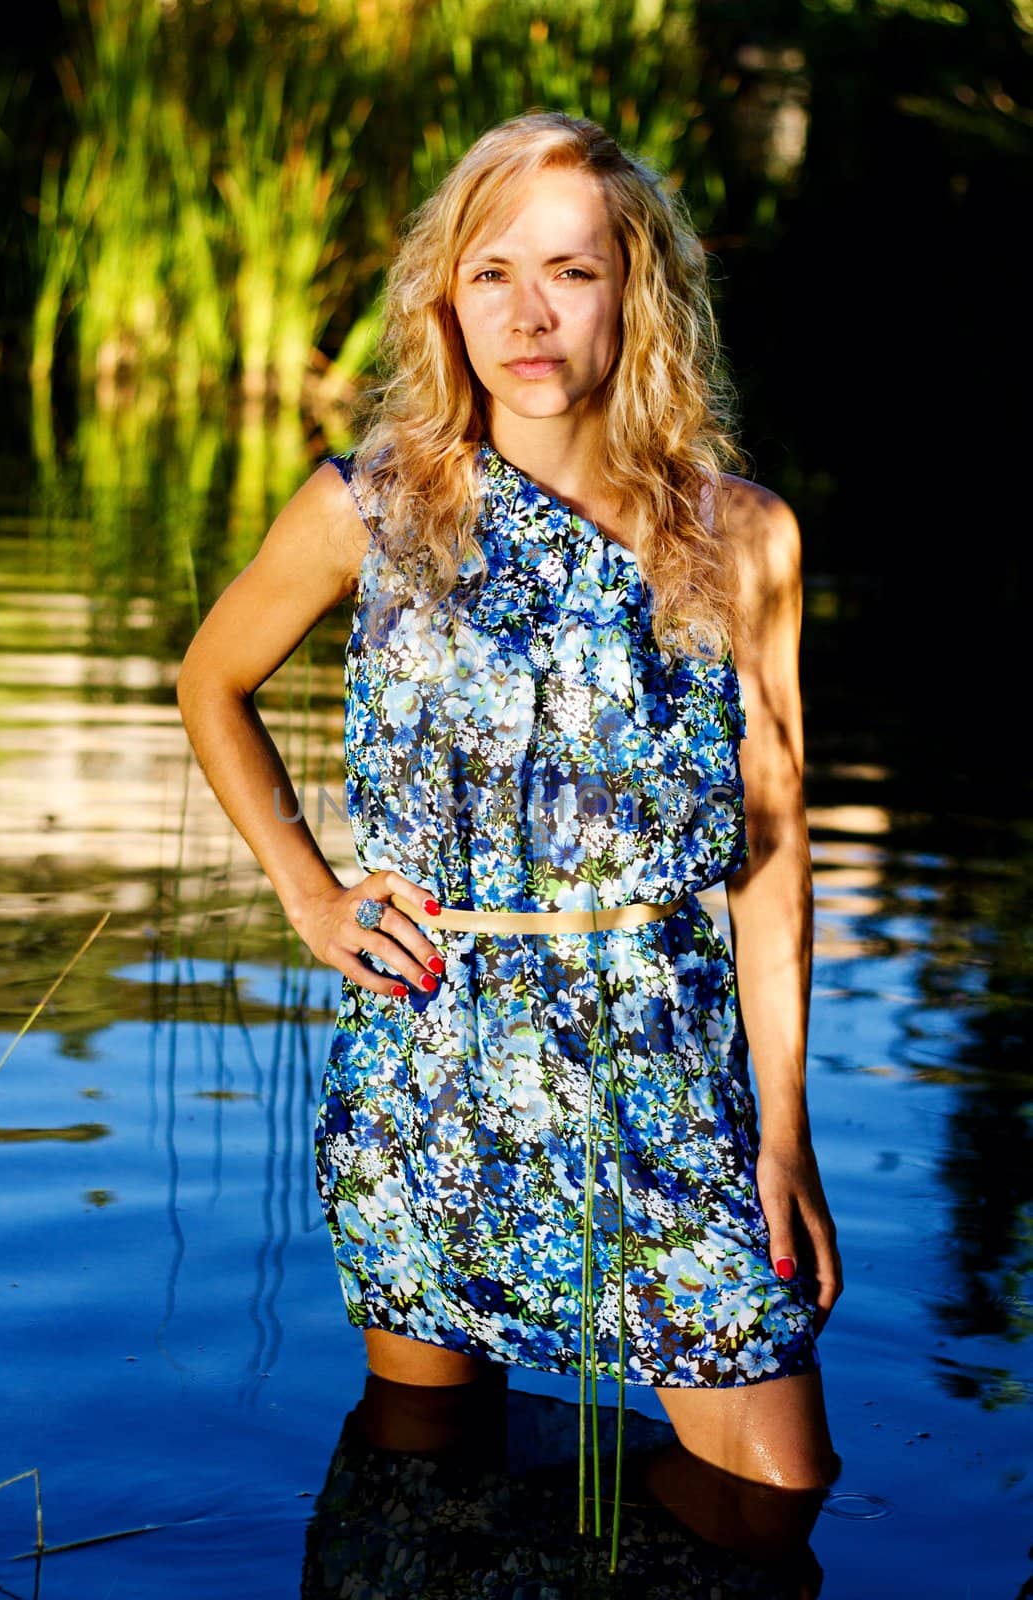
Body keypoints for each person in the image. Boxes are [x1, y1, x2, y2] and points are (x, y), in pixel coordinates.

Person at [177, 111, 842, 1504]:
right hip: (432, 1062)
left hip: (667, 1080)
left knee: (778, 1489)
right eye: (493, 272)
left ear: (636, 291)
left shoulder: (742, 534)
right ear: (447, 296)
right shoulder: (372, 504)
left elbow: (770, 855)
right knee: (422, 1480)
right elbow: (212, 681)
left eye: (573, 271)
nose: (529, 315)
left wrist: (783, 1129)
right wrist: (309, 888)